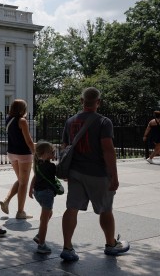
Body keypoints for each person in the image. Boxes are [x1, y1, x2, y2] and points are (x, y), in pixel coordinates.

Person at [60, 87, 130, 262]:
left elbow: (64, 147)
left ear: (82, 101)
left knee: (72, 208)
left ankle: (67, 248)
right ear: (98, 102)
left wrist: (67, 170)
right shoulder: (103, 122)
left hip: (75, 172)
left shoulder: (70, 121)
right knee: (105, 210)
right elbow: (108, 150)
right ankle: (110, 244)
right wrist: (114, 176)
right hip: (98, 174)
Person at [0, 99, 36, 219]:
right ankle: (20, 212)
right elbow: (29, 141)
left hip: (11, 153)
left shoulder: (8, 119)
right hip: (23, 154)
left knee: (20, 180)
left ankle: (6, 201)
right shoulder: (22, 121)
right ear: (23, 109)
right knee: (24, 183)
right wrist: (36, 153)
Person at [29, 141, 57, 254]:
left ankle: (39, 235)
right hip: (46, 193)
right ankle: (41, 244)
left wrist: (30, 189)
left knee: (48, 213)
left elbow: (35, 177)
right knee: (44, 220)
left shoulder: (38, 164)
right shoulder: (51, 166)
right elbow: (60, 175)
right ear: (46, 153)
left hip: (38, 193)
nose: (54, 153)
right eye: (52, 152)